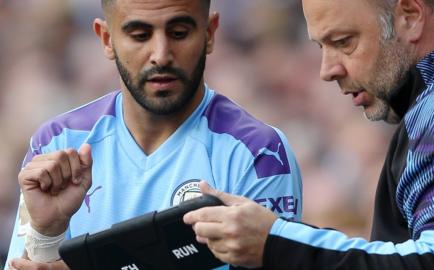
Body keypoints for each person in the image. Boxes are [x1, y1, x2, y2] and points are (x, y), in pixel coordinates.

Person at [4, 0, 303, 269]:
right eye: (140, 35)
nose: (160, 55)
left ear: (210, 33)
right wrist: (46, 234)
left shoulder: (259, 154)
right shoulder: (58, 141)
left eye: (179, 32)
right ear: (107, 39)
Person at [184, 0, 434, 269]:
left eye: (343, 42)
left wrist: (276, 242)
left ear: (411, 16)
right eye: (321, 47)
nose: (327, 70)